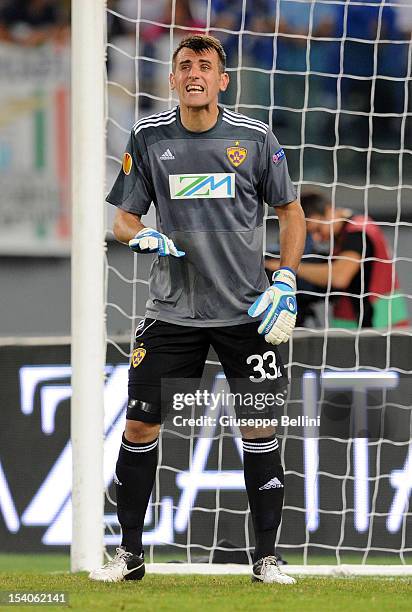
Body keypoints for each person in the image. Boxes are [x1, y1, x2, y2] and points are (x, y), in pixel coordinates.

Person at [90, 34, 305, 585]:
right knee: (139, 427)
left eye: (205, 66)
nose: (194, 73)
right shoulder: (148, 136)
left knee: (260, 430)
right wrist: (140, 238)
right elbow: (124, 219)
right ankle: (130, 555)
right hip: (172, 313)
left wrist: (284, 276)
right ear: (172, 79)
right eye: (184, 65)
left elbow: (291, 211)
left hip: (246, 312)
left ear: (222, 80)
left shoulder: (255, 139)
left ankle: (267, 559)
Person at [267, 191, 407, 329]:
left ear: (329, 211)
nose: (316, 238)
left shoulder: (357, 233)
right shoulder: (348, 232)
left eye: (317, 229)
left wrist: (286, 268)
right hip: (366, 322)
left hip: (381, 324)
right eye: (310, 233)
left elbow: (339, 277)